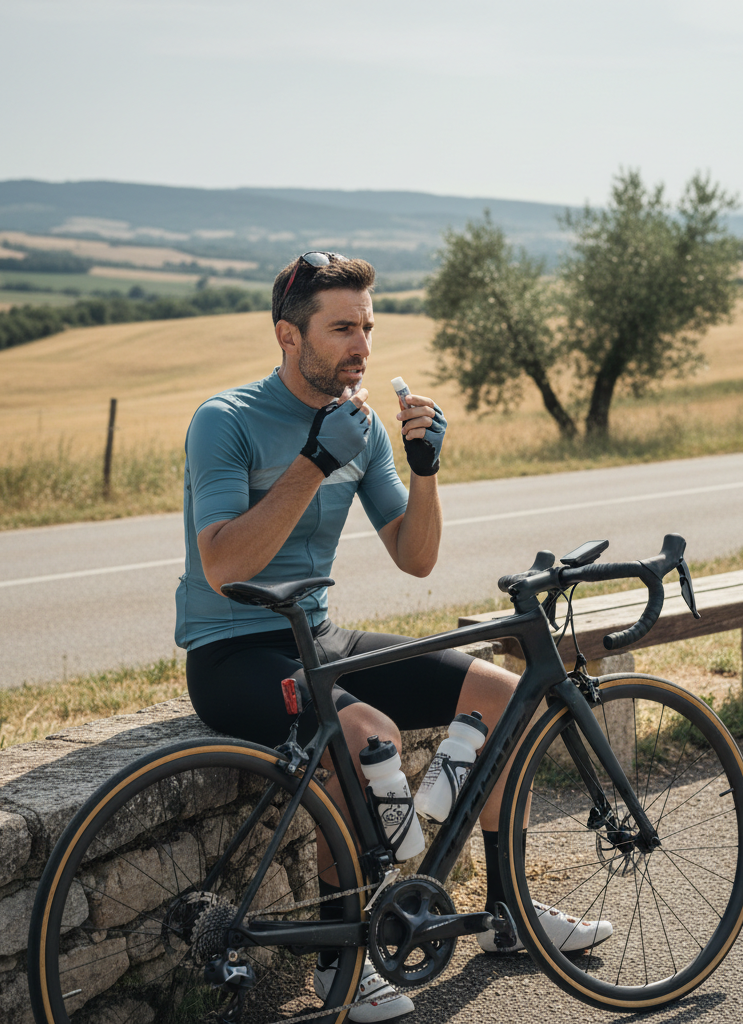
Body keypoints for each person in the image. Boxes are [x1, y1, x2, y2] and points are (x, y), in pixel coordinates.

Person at [175, 251, 610, 1021]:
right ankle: (339, 965)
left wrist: (425, 467)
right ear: (289, 335)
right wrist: (315, 460)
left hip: (318, 636)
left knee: (504, 696)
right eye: (342, 328)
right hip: (234, 651)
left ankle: (510, 916)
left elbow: (415, 557)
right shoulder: (227, 421)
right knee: (365, 733)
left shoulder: (362, 427)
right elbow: (222, 564)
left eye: (368, 328)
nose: (361, 347)